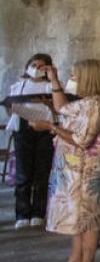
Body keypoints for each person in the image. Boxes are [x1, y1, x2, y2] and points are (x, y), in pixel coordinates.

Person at [31, 59, 100, 262]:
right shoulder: (86, 103)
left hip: (88, 173)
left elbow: (82, 140)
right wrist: (54, 79)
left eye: (75, 75)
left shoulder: (96, 105)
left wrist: (50, 127)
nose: (72, 78)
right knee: (78, 218)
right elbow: (62, 108)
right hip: (75, 172)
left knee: (88, 220)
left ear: (87, 78)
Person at [7, 53, 55, 229]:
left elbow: (59, 109)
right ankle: (22, 213)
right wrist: (11, 108)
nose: (36, 69)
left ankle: (38, 212)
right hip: (23, 129)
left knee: (42, 173)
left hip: (45, 130)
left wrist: (47, 103)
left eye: (41, 66)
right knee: (23, 174)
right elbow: (11, 111)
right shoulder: (19, 86)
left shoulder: (52, 86)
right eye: (34, 65)